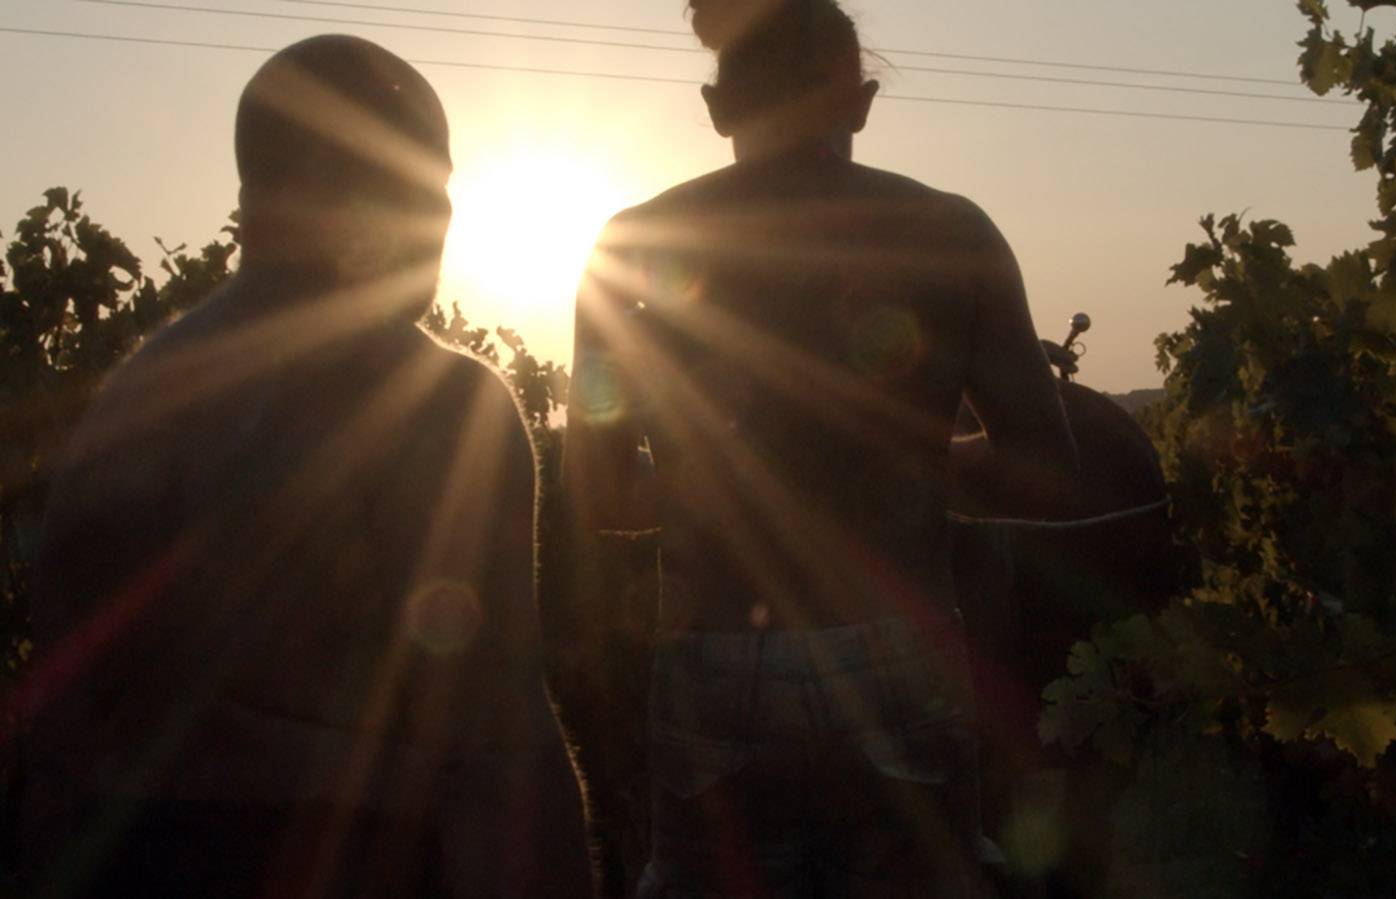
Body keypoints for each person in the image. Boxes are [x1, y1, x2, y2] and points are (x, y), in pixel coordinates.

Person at [20, 35, 593, 898]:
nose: (442, 219)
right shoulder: (443, 406)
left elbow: (71, 726)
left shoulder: (138, 396)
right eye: (429, 188)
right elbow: (501, 750)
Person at [562, 1, 1080, 895]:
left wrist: (720, 490)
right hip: (900, 653)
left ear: (717, 108)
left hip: (714, 658)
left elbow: (599, 498)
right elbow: (1050, 474)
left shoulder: (629, 245)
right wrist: (919, 468)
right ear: (862, 102)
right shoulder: (953, 233)